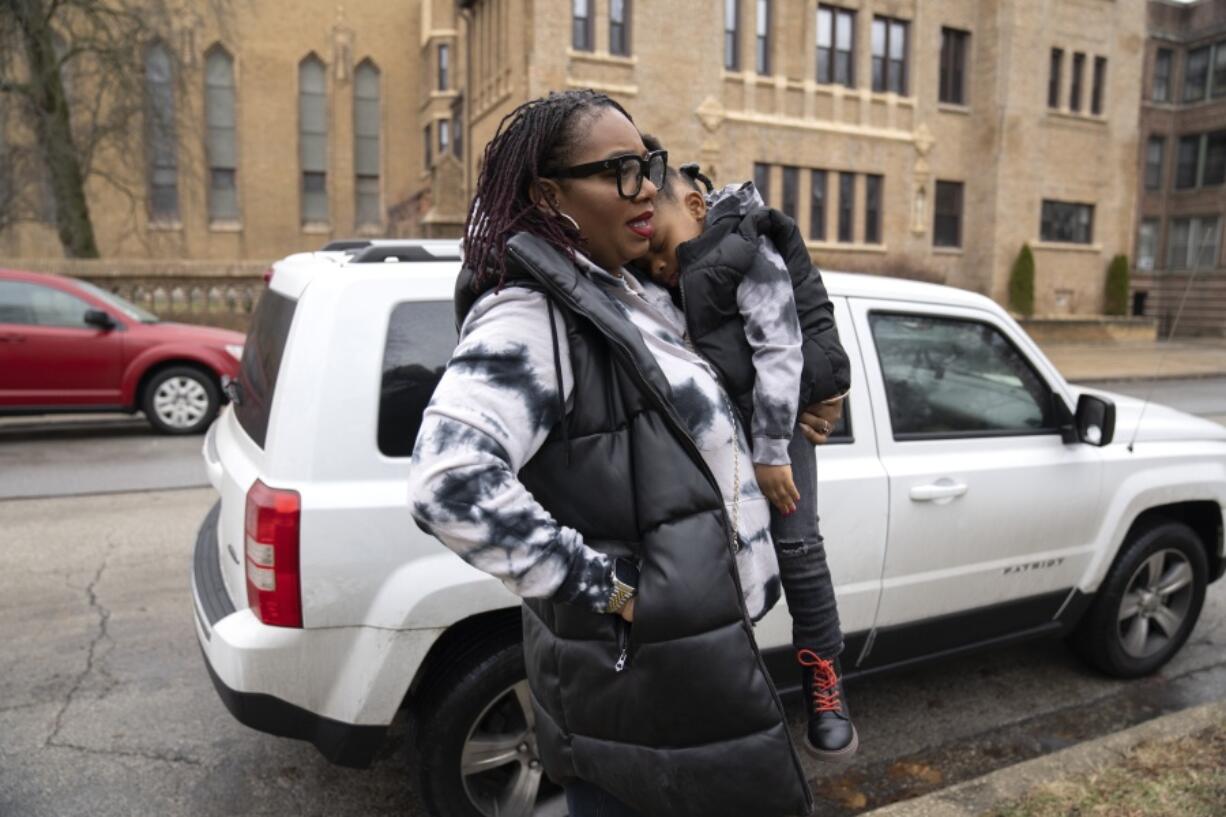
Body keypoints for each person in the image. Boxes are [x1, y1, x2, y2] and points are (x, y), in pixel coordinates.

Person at [407, 89, 833, 817]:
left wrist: (817, 388)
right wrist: (608, 590)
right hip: (637, 690)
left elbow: (741, 354)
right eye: (618, 171)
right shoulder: (532, 315)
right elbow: (449, 483)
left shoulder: (629, 291)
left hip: (689, 659)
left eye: (649, 165)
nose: (646, 189)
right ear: (548, 195)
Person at [635, 154, 856, 759]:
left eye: (661, 250)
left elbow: (781, 348)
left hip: (774, 433)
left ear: (696, 208)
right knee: (717, 566)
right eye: (647, 262)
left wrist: (772, 449)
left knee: (799, 545)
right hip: (715, 441)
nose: (659, 267)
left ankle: (823, 678)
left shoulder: (746, 247)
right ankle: (727, 692)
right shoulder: (662, 280)